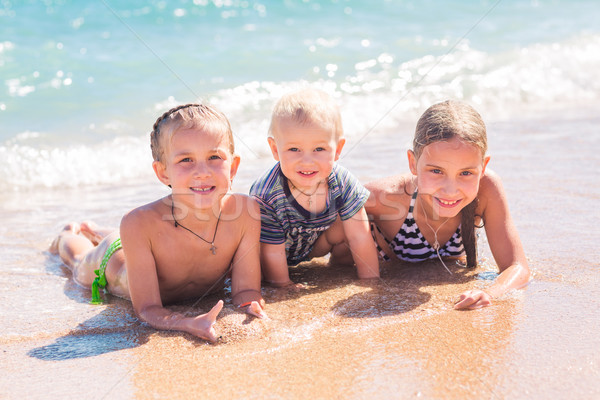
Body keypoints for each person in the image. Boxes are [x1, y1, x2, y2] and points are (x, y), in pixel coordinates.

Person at [49, 104, 266, 342]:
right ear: (163, 173)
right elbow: (147, 309)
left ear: (233, 166)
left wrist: (251, 306)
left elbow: (246, 290)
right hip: (113, 262)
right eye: (186, 160)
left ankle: (94, 228)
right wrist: (187, 322)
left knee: (122, 238)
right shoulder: (138, 223)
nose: (202, 172)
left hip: (138, 244)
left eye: (214, 157)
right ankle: (68, 234)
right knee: (80, 262)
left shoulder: (246, 214)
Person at [365, 99, 530, 310]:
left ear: (483, 166)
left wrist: (489, 293)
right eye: (436, 171)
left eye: (466, 173)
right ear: (413, 163)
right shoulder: (384, 198)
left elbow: (517, 267)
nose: (450, 190)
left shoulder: (487, 188)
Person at [250, 88, 380, 288]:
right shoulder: (267, 193)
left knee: (350, 227)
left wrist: (372, 281)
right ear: (275, 149)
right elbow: (272, 250)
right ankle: (277, 280)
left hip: (311, 247)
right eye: (294, 149)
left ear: (337, 149)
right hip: (270, 252)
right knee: (253, 260)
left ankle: (338, 269)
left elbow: (360, 236)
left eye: (319, 149)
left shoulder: (342, 181)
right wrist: (284, 285)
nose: (307, 161)